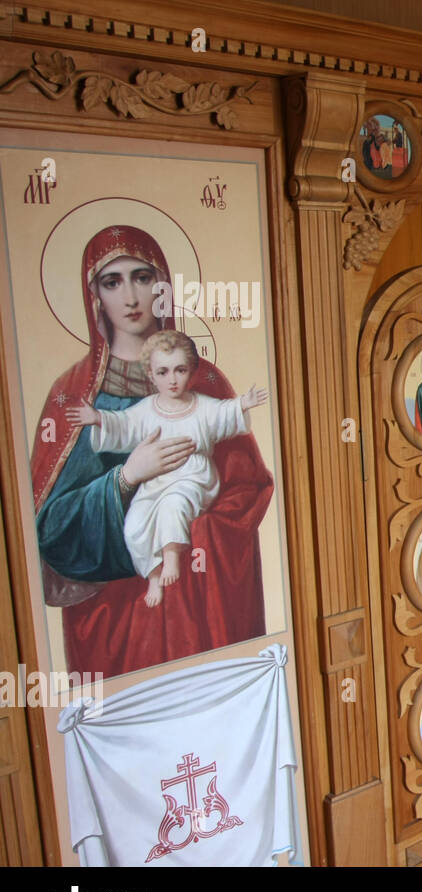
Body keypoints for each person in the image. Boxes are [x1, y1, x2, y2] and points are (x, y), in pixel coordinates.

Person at [31, 224, 273, 679]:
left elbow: (248, 486)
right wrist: (125, 479)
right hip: (118, 618)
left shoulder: (205, 382)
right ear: (94, 296)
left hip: (199, 600)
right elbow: (52, 529)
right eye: (112, 281)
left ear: (161, 284)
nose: (130, 296)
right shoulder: (74, 396)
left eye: (142, 277)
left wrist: (196, 532)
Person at [65, 330, 268, 607]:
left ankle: (171, 557)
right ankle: (153, 574)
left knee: (173, 507)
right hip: (155, 482)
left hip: (193, 478)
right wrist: (98, 418)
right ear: (150, 374)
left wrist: (243, 403)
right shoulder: (147, 409)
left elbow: (224, 413)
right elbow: (124, 425)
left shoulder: (202, 406)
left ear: (192, 371)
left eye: (179, 370)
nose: (172, 380)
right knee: (134, 525)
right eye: (163, 372)